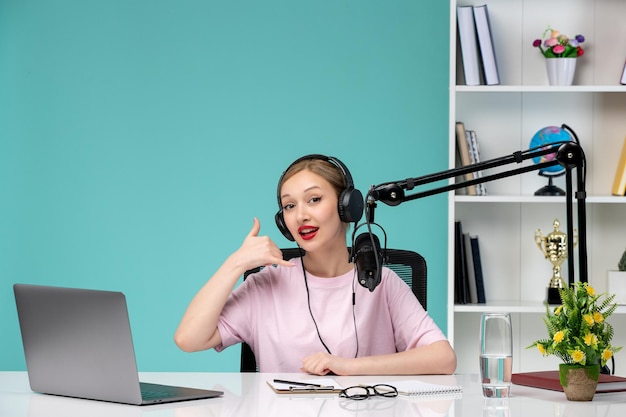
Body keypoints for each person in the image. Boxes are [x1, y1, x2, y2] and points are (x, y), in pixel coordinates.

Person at [174, 154, 456, 375]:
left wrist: (349, 367)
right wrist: (235, 263)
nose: (300, 216)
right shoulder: (265, 285)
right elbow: (189, 339)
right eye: (289, 206)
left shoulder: (379, 281)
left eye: (314, 199)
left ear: (347, 206)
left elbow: (443, 358)